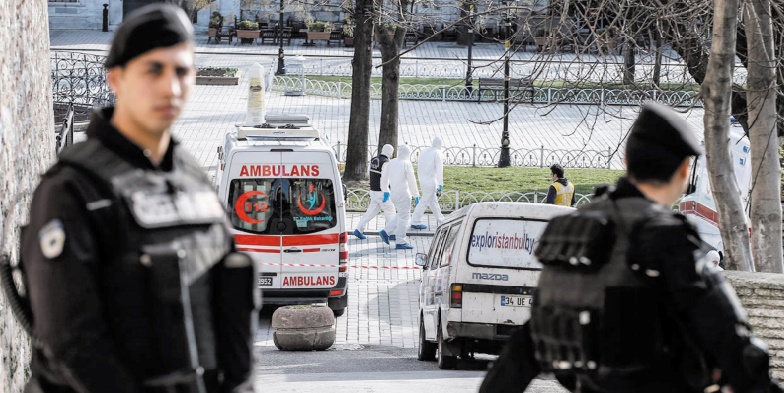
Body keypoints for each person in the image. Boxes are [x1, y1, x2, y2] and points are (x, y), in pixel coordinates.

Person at [19, 5, 258, 392]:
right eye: (153, 70)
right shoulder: (71, 190)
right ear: (117, 78)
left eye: (181, 70)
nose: (171, 86)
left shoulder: (193, 180)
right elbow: (75, 348)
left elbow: (230, 320)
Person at [480, 102, 781, 393]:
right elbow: (737, 348)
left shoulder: (570, 230)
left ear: (626, 159)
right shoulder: (666, 238)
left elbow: (524, 347)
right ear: (684, 170)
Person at [379, 144, 420, 250]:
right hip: (404, 194)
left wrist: (385, 190)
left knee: (400, 214)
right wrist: (416, 195)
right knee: (404, 218)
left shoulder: (391, 162)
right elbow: (412, 181)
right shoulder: (407, 163)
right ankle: (401, 241)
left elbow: (384, 178)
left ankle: (386, 231)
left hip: (393, 194)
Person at [353, 144, 397, 240]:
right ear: (390, 152)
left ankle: (358, 229)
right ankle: (391, 233)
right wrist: (387, 191)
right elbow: (386, 178)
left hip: (373, 190)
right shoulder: (385, 163)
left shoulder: (374, 159)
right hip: (382, 191)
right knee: (390, 211)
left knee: (371, 212)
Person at [410, 136, 446, 230]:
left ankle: (441, 219)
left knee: (433, 201)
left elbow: (420, 167)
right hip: (431, 181)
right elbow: (439, 170)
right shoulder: (437, 153)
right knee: (424, 202)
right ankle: (415, 221)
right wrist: (440, 184)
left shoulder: (424, 151)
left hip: (423, 180)